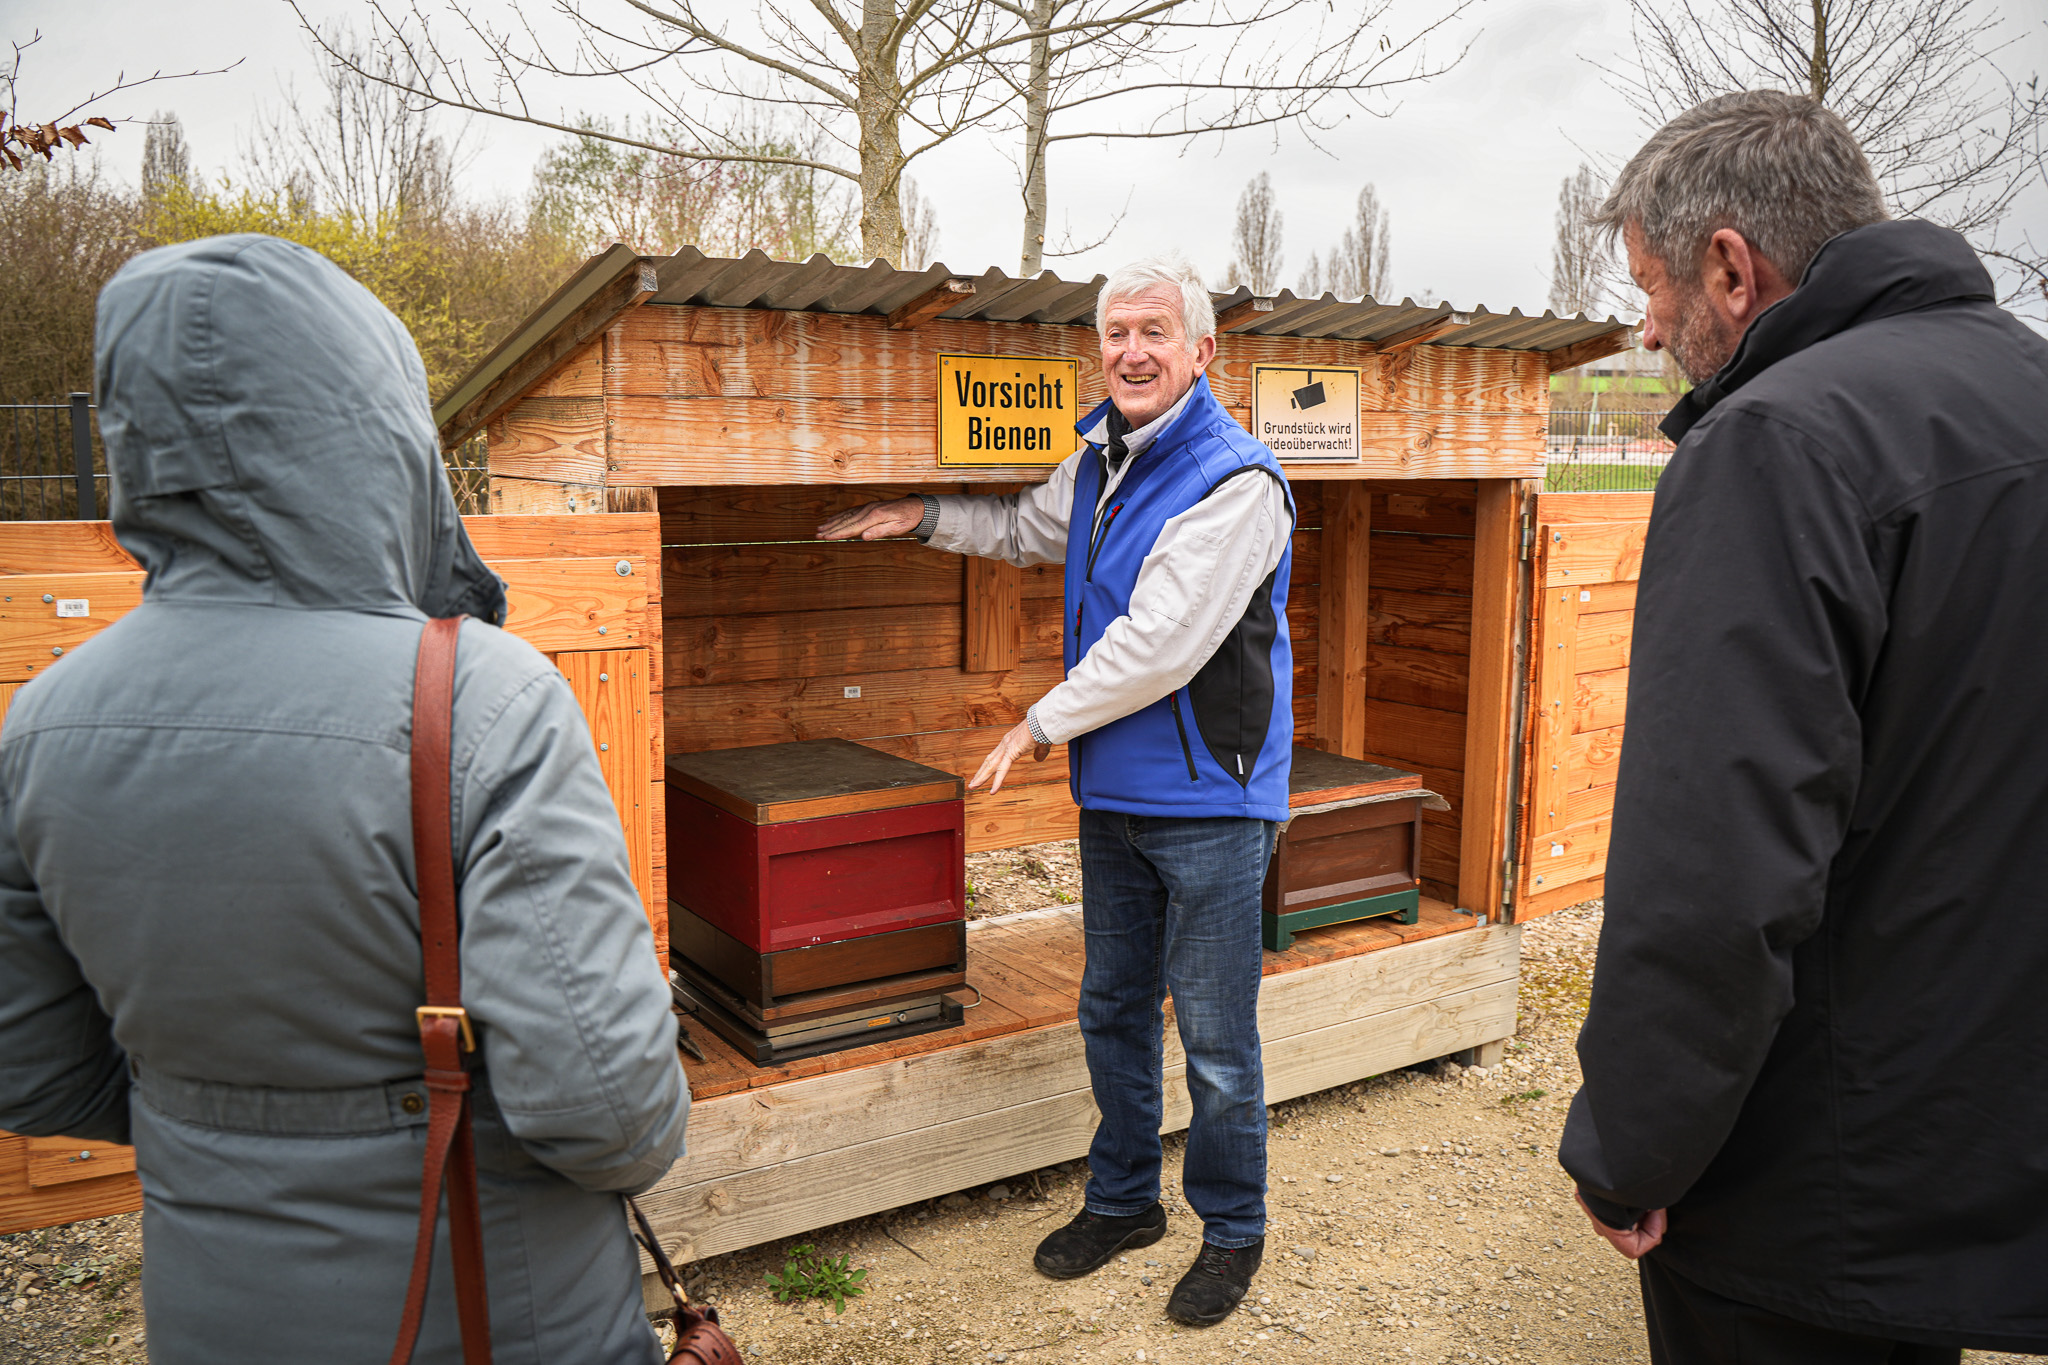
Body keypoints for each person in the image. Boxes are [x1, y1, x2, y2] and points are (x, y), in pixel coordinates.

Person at [0, 235, 690, 1364]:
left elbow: (30, 1070)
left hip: (212, 1315)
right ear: (377, 434)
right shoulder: (480, 695)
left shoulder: (39, 722)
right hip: (502, 1312)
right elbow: (613, 1119)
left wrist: (235, 1126)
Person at [1560, 91, 2048, 1361]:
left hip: (1817, 1175)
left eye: (1651, 287)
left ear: (1730, 267)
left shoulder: (1776, 441)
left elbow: (1713, 865)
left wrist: (1630, 1148)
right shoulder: (2025, 387)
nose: (1646, 329)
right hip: (1982, 1127)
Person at [817, 255, 1293, 1326]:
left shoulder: (1236, 482)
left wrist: (1038, 721)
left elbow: (1161, 643)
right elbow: (1022, 530)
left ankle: (1232, 1229)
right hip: (1116, 796)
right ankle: (1124, 1201)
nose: (1131, 351)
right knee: (1111, 1009)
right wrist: (920, 513)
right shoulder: (1098, 461)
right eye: (1116, 332)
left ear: (1201, 351)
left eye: (1153, 333)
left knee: (1216, 1038)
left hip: (1211, 806)